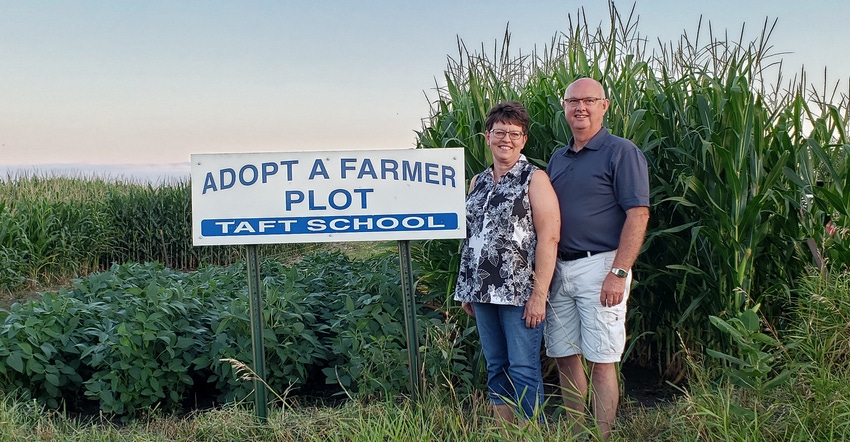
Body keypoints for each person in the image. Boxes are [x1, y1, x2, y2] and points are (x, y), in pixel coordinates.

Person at [544, 78, 650, 440]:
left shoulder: (621, 152)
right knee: (564, 354)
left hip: (602, 265)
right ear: (564, 106)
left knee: (602, 359)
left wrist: (618, 272)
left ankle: (602, 435)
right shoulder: (558, 158)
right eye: (573, 101)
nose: (580, 108)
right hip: (560, 268)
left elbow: (638, 214)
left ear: (605, 106)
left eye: (589, 100)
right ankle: (576, 433)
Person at [454, 100, 560, 424]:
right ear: (487, 136)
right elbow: (472, 237)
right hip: (482, 292)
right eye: (500, 132)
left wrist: (539, 295)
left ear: (524, 139)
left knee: (523, 368)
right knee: (496, 366)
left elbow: (549, 237)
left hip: (519, 294)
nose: (507, 139)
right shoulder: (478, 182)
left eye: (515, 133)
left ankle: (532, 432)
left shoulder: (534, 179)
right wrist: (467, 289)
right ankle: (506, 430)